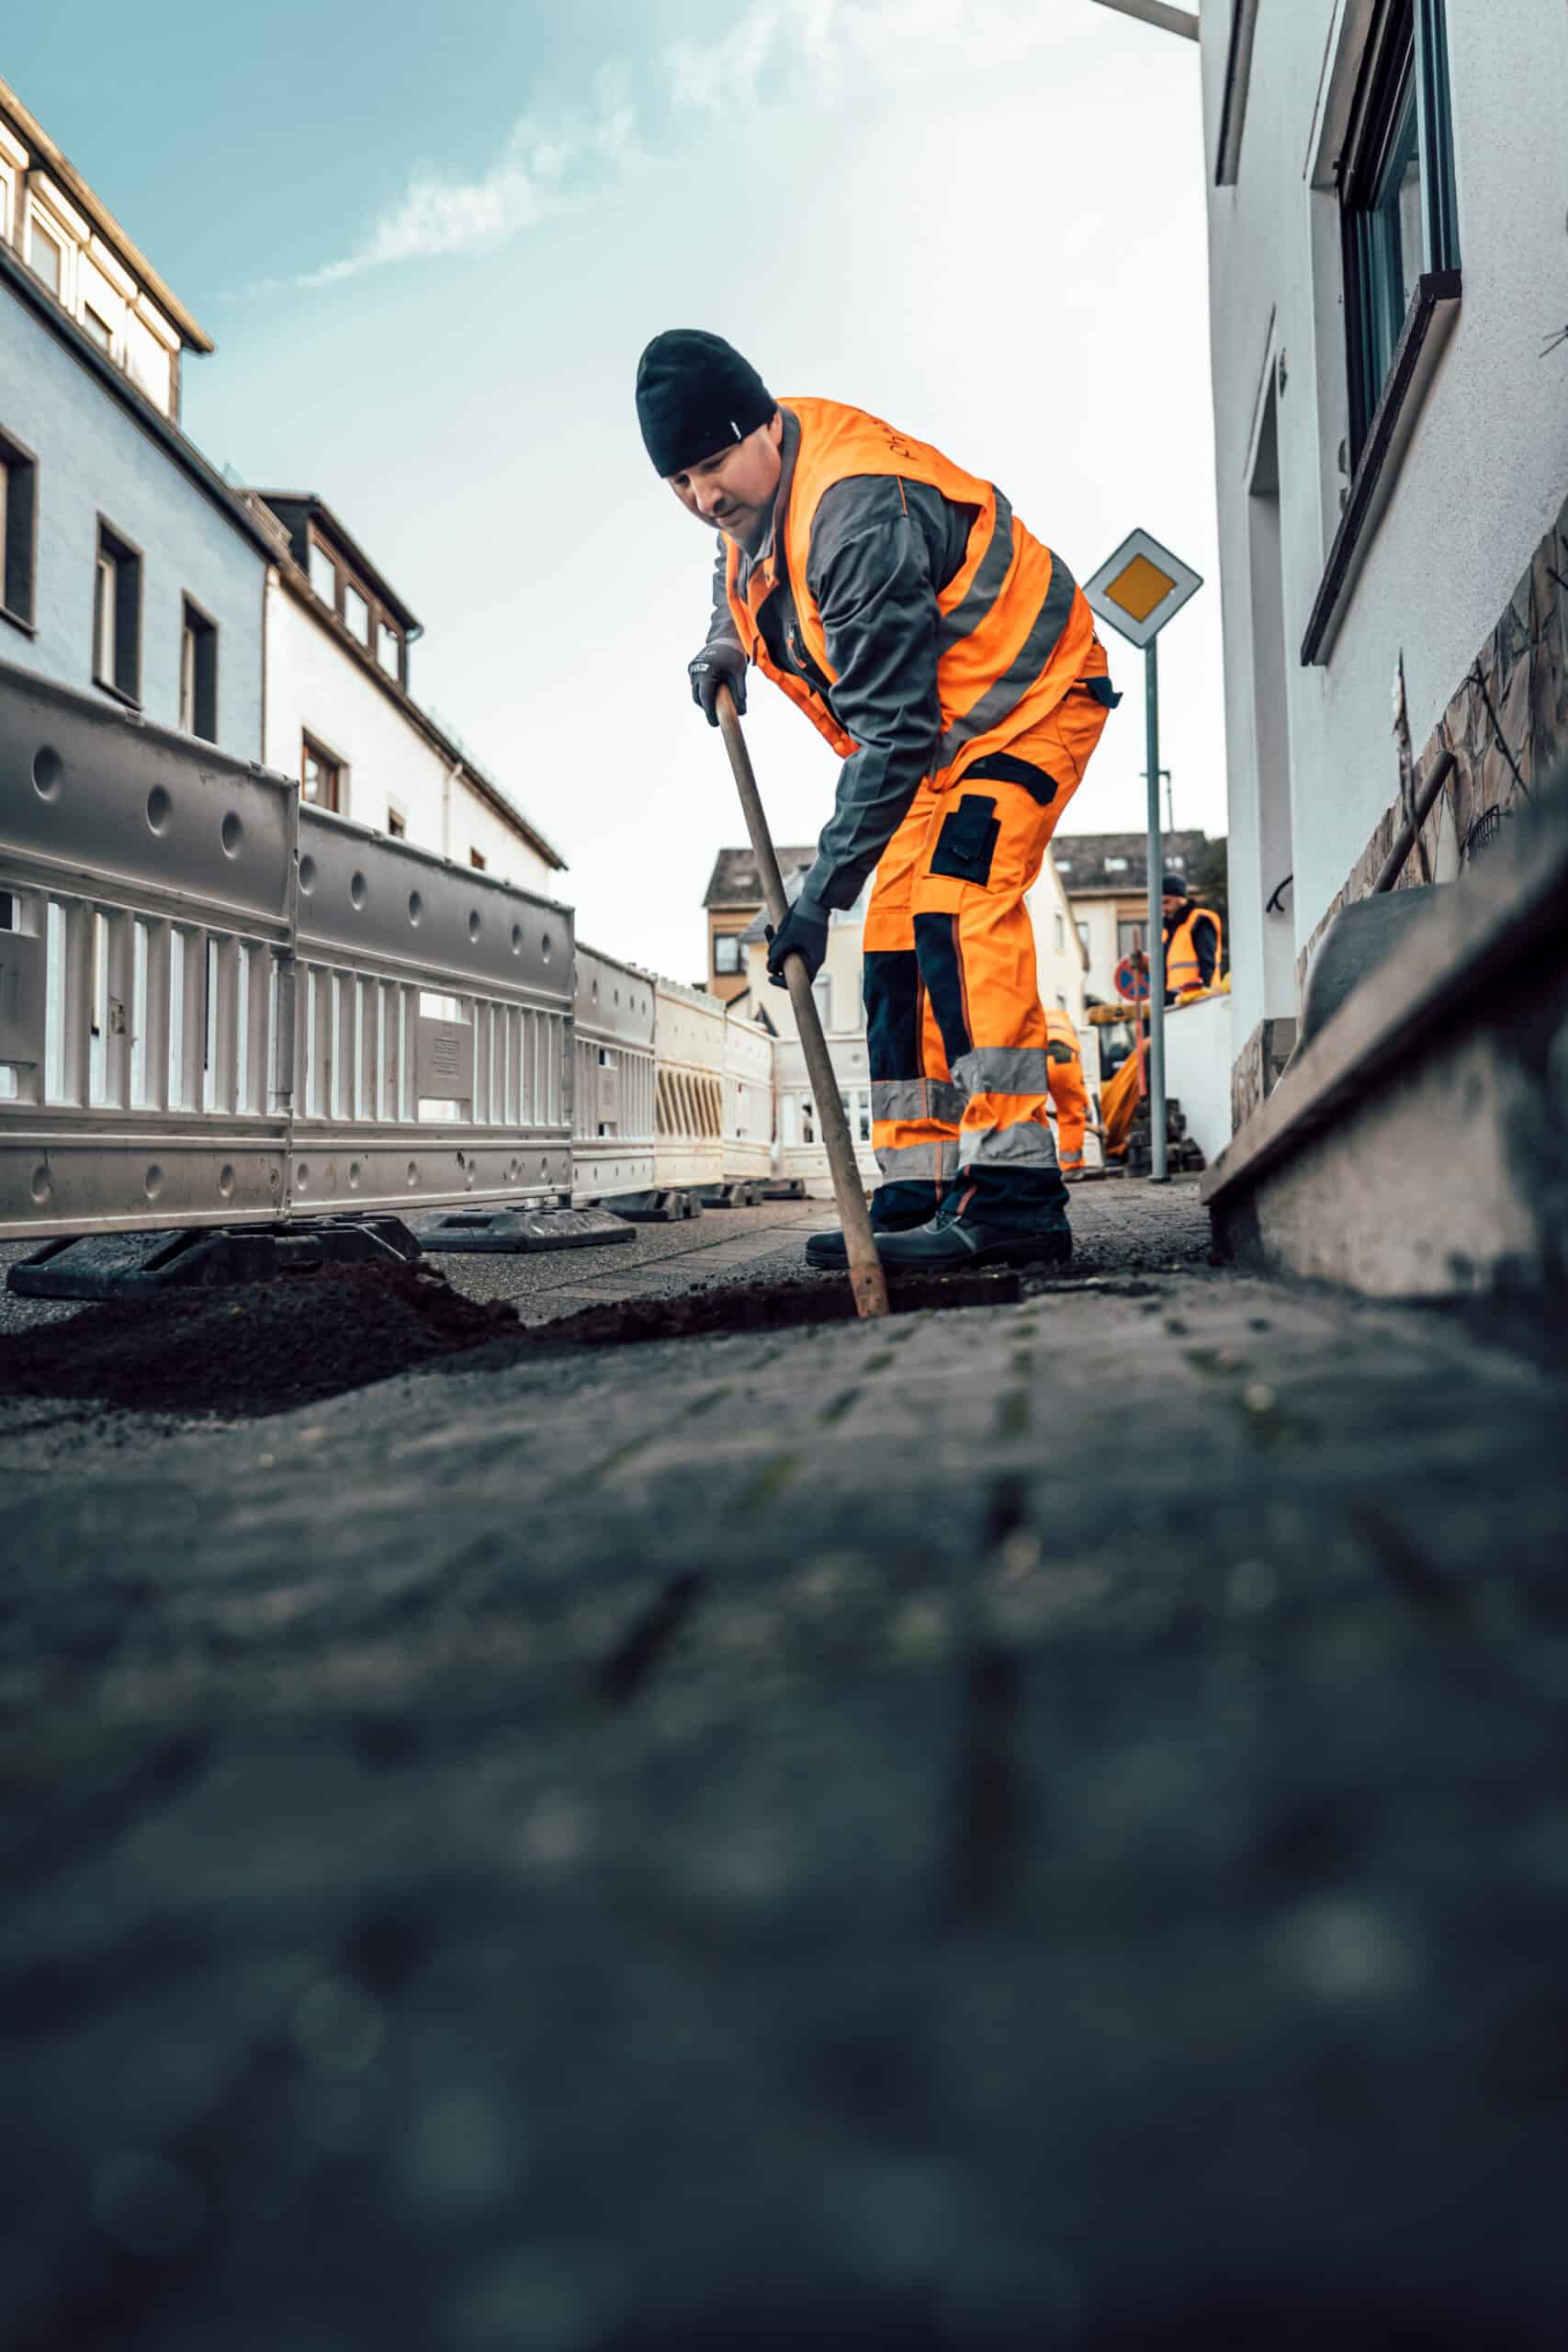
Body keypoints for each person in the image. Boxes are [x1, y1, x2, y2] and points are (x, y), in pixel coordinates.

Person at [636, 328, 1119, 1271]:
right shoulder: (756, 510)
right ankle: (917, 1191)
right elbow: (733, 570)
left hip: (1025, 700)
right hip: (938, 741)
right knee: (893, 946)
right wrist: (724, 644)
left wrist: (817, 897)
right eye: (680, 482)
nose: (703, 498)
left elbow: (890, 734)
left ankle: (1018, 1198)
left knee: (958, 910)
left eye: (714, 466)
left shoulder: (853, 514)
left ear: (763, 426)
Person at [1043, 1004, 1090, 1178]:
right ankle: (1071, 1168)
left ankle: (1034, 1167)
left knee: (1029, 1114)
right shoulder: (1064, 1018)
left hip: (1034, 1060)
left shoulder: (1035, 1015)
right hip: (1063, 1060)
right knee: (1071, 1115)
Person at [1161, 874, 1223, 1005]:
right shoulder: (1169, 931)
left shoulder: (1199, 922)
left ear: (1181, 899)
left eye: (1166, 902)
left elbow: (1207, 964)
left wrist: (1200, 996)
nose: (1163, 908)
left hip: (1199, 1001)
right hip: (1177, 1002)